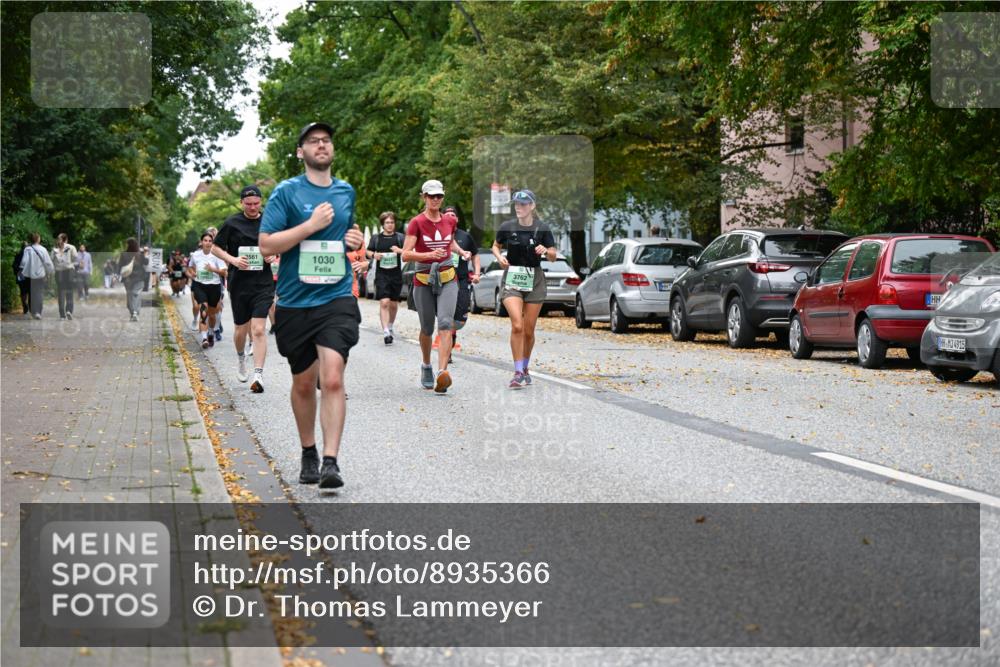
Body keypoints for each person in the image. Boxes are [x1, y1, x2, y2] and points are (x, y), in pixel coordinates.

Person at [258, 121, 364, 490]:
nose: (322, 145)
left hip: (335, 297)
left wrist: (355, 238)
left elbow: (345, 237)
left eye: (326, 141)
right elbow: (267, 245)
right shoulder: (286, 193)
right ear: (301, 152)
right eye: (313, 142)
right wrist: (309, 225)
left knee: (332, 376)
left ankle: (331, 463)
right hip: (295, 301)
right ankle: (309, 451)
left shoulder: (345, 191)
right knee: (303, 383)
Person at [211, 185, 277, 393]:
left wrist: (273, 254)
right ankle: (241, 359)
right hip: (240, 283)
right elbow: (215, 247)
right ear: (242, 203)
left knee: (258, 329)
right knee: (241, 329)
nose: (252, 207)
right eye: (248, 204)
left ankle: (258, 375)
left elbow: (280, 245)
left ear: (261, 202)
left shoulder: (269, 222)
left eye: (256, 203)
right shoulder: (232, 223)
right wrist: (233, 260)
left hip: (263, 283)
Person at [401, 179, 464, 393]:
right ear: (424, 197)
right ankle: (426, 365)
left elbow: (450, 242)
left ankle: (442, 373)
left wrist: (461, 252)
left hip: (448, 277)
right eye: (431, 196)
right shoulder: (416, 222)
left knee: (446, 323)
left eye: (439, 196)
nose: (435, 199)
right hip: (424, 278)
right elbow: (405, 254)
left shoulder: (449, 220)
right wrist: (428, 255)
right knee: (427, 328)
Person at [492, 189, 556, 388]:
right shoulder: (507, 226)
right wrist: (499, 256)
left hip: (534, 279)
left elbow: (553, 255)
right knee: (517, 325)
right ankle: (518, 371)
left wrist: (546, 251)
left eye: (524, 204)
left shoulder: (542, 228)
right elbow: (495, 245)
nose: (519, 207)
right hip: (512, 277)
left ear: (532, 206)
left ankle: (525, 367)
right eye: (517, 204)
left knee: (528, 330)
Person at [365, 211, 405, 344]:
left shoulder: (400, 238)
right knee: (384, 302)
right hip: (382, 275)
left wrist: (400, 251)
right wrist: (374, 255)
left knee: (393, 304)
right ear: (383, 224)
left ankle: (391, 325)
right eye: (387, 222)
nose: (390, 225)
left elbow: (409, 252)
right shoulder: (376, 238)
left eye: (392, 222)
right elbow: (368, 251)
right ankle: (386, 332)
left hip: (396, 275)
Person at [187, 232, 227, 348]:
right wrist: (193, 273)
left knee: (212, 315)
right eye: (205, 240)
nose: (208, 243)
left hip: (214, 287)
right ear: (201, 242)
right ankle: (204, 338)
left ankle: (211, 332)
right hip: (200, 286)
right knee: (203, 311)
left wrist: (212, 269)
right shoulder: (195, 255)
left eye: (210, 241)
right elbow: (190, 266)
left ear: (212, 243)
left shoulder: (217, 256)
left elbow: (224, 272)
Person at [19, 232, 54, 319]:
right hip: (40, 275)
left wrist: (21, 269)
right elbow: (48, 262)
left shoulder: (27, 249)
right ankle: (38, 312)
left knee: (31, 293)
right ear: (38, 239)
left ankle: (32, 312)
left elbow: (23, 262)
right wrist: (50, 271)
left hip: (30, 275)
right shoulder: (43, 249)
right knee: (39, 293)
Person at [117, 237, 148, 321]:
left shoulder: (124, 254)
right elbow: (146, 262)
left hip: (128, 279)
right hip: (139, 278)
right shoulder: (139, 254)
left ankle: (134, 312)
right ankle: (135, 312)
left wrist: (117, 275)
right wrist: (145, 253)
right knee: (136, 295)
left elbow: (119, 266)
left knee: (131, 295)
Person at [50, 233, 78, 320]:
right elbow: (75, 258)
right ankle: (69, 311)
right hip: (69, 271)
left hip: (59, 273)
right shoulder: (71, 247)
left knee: (61, 293)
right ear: (66, 239)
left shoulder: (54, 249)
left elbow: (51, 261)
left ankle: (62, 315)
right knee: (69, 292)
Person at [13, 240, 30, 314]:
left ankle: (24, 305)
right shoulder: (30, 254)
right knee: (29, 290)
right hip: (28, 273)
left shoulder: (18, 254)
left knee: (22, 290)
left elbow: (14, 265)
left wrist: (17, 273)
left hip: (20, 273)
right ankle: (28, 305)